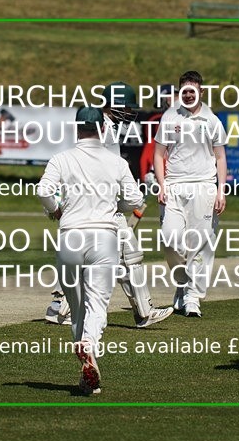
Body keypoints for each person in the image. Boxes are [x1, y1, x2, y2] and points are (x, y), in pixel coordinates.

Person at [45, 82, 173, 329]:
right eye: (126, 106)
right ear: (113, 105)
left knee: (123, 257)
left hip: (101, 203)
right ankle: (62, 306)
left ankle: (141, 312)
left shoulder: (106, 126)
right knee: (120, 256)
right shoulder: (102, 128)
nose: (130, 111)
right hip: (100, 206)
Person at [37, 106, 144, 395]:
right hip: (104, 238)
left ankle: (87, 377)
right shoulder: (116, 162)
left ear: (76, 129)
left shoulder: (62, 159)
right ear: (102, 130)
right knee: (97, 303)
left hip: (70, 235)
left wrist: (56, 210)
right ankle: (88, 345)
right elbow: (135, 200)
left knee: (77, 309)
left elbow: (43, 191)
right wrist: (117, 206)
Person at [154, 71, 227, 317]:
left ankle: (193, 296)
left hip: (203, 186)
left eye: (192, 90)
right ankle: (183, 283)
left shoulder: (212, 120)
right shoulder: (169, 116)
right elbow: (158, 153)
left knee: (200, 244)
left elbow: (220, 157)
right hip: (174, 185)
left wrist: (220, 190)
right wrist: (162, 184)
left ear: (201, 92)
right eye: (184, 91)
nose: (188, 94)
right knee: (170, 239)